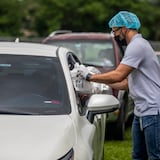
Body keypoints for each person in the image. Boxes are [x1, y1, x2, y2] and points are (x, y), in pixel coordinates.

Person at [79, 11, 160, 160]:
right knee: (138, 156)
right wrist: (94, 81)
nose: (115, 35)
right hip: (141, 111)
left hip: (153, 111)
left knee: (155, 156)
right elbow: (124, 83)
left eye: (115, 30)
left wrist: (90, 76)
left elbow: (118, 75)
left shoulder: (137, 46)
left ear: (125, 28)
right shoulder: (136, 46)